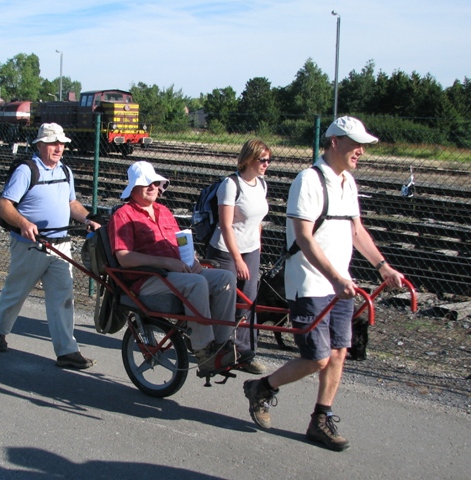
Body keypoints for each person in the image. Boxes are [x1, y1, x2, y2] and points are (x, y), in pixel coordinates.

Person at [243, 116, 405, 451]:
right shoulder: (309, 181)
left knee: (339, 352)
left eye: (363, 145)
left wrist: (382, 266)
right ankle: (263, 387)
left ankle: (321, 418)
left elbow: (356, 231)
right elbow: (303, 237)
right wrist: (334, 276)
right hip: (311, 284)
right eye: (355, 144)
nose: (360, 151)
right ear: (334, 142)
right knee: (317, 358)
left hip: (340, 284)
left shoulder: (347, 182)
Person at [109, 161, 250, 376]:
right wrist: (167, 263)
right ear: (134, 188)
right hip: (147, 280)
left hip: (175, 273)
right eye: (147, 183)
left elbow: (180, 243)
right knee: (197, 283)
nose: (153, 187)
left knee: (225, 278)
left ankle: (222, 345)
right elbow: (124, 257)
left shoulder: (163, 211)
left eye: (156, 183)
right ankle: (204, 351)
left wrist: (191, 259)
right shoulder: (124, 215)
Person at [0, 123, 100, 369]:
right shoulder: (26, 171)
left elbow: (71, 203)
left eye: (61, 143)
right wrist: (24, 223)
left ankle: (67, 351)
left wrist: (87, 218)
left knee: (63, 298)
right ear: (39, 145)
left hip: (61, 245)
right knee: (16, 291)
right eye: (52, 143)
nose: (58, 148)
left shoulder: (65, 171)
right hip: (30, 246)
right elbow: (4, 205)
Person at [206, 139, 271, 375]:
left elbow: (257, 221)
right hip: (225, 250)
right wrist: (238, 259)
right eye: (262, 160)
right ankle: (218, 349)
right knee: (226, 301)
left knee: (249, 301)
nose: (266, 164)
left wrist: (257, 247)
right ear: (248, 160)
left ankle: (245, 353)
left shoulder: (261, 185)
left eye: (268, 160)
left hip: (250, 249)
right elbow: (225, 225)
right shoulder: (231, 185)